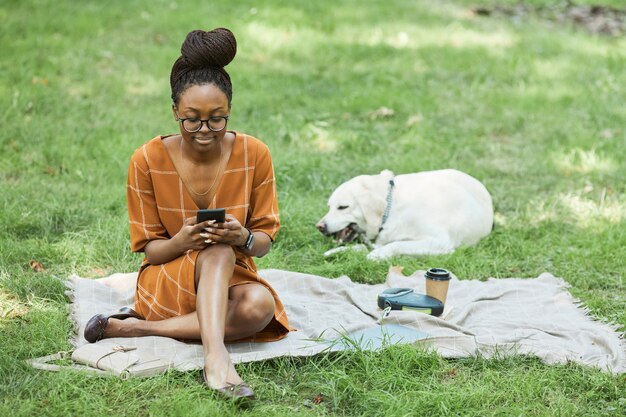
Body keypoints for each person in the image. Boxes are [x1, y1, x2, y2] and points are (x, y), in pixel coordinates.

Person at [84, 27, 290, 400]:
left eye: (217, 119)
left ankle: (137, 329)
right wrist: (182, 240)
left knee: (260, 306)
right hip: (167, 278)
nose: (204, 130)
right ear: (174, 111)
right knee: (216, 251)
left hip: (232, 276)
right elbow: (151, 251)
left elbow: (261, 243)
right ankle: (217, 358)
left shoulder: (255, 154)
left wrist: (241, 236)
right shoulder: (146, 160)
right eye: (191, 119)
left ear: (229, 112)